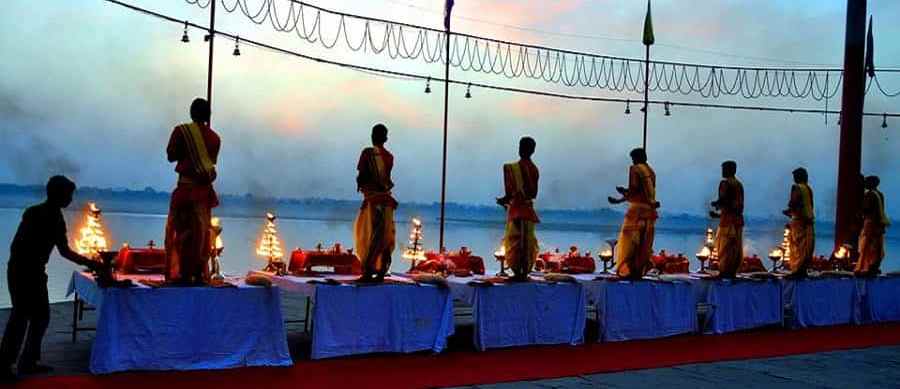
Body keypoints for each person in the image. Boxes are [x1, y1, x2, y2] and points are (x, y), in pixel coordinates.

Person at [1, 176, 95, 380]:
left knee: (40, 317)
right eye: (68, 195)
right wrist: (91, 263)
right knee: (21, 318)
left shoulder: (43, 214)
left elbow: (61, 250)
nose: (70, 199)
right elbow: (64, 252)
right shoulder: (43, 215)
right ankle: (5, 365)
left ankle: (28, 362)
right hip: (24, 271)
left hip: (29, 271)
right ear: (58, 194)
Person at [164, 98, 221, 285]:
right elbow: (210, 164)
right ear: (208, 116)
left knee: (181, 233)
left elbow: (171, 156)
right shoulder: (214, 138)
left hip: (185, 192)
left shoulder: (181, 132)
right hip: (203, 195)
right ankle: (198, 273)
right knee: (201, 235)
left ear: (191, 113)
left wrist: (185, 151)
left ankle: (181, 273)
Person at [354, 123, 398, 283]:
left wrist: (363, 186)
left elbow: (362, 177)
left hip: (374, 201)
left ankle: (368, 272)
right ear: (385, 138)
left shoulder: (367, 153)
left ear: (373, 136)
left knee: (369, 236)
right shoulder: (389, 157)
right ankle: (380, 272)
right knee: (385, 236)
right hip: (386, 202)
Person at [608, 148, 659, 280]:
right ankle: (638, 271)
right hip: (649, 214)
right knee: (643, 244)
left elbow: (634, 190)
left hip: (636, 213)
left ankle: (627, 271)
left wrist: (621, 196)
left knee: (629, 243)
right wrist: (622, 196)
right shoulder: (651, 172)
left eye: (633, 158)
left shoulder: (635, 169)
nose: (633, 161)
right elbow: (644, 194)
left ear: (637, 158)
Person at [497, 136, 540, 282]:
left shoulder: (510, 169)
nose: (521, 149)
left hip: (518, 210)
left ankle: (518, 272)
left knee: (515, 241)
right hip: (527, 210)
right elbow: (533, 193)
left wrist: (504, 200)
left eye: (523, 147)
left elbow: (510, 194)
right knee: (526, 242)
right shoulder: (534, 169)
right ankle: (523, 271)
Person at [710, 161, 744, 279]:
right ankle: (732, 272)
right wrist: (718, 215)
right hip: (737, 222)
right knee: (734, 248)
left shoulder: (725, 183)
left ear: (729, 170)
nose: (722, 171)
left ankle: (725, 271)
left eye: (724, 169)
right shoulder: (739, 184)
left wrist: (715, 204)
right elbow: (735, 207)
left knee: (724, 248)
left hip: (728, 223)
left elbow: (724, 201)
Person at [783, 167, 814, 278]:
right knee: (805, 247)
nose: (794, 178)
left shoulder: (796, 188)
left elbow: (793, 203)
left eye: (795, 176)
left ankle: (797, 269)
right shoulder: (808, 188)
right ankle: (802, 269)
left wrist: (789, 211)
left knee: (797, 246)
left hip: (799, 221)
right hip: (808, 222)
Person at [855, 175, 890, 276]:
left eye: (866, 182)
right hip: (878, 225)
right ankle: (873, 267)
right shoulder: (880, 194)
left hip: (870, 224)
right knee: (877, 248)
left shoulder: (870, 195)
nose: (865, 184)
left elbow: (866, 209)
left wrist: (858, 213)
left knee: (866, 247)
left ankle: (865, 268)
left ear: (871, 183)